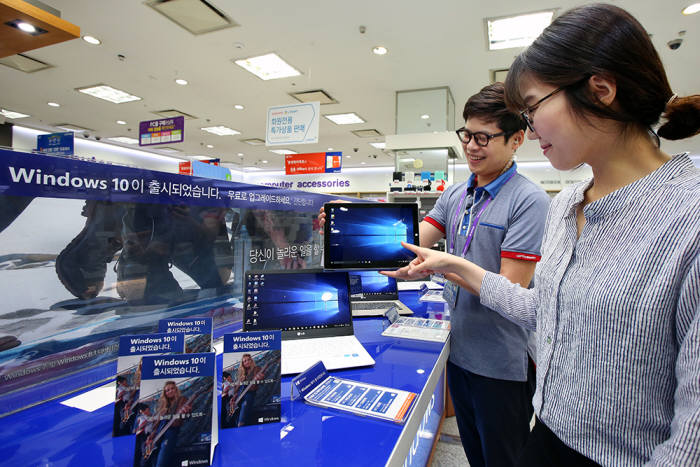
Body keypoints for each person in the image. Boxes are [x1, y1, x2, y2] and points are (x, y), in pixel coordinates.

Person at [384, 4, 700, 465]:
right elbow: (545, 309)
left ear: (601, 90)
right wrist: (454, 266)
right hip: (547, 432)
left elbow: (692, 435)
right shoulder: (569, 203)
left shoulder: (686, 215)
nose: (529, 132)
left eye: (532, 109)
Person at [322, 83, 550, 466]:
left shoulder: (529, 201)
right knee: (476, 454)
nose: (472, 147)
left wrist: (446, 267)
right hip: (459, 352)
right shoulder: (456, 195)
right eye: (467, 135)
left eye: (483, 137)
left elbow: (512, 290)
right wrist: (351, 218)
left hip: (502, 363)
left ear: (516, 140)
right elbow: (408, 245)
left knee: (503, 458)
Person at [145, 381, 191, 467]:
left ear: (176, 389)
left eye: (172, 388)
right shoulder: (163, 405)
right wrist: (151, 435)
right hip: (158, 434)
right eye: (167, 390)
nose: (170, 391)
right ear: (165, 393)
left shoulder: (182, 399)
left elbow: (187, 417)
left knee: (161, 463)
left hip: (171, 432)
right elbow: (157, 424)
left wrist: (186, 412)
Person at [226, 353, 265, 427]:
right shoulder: (241, 373)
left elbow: (262, 378)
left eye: (248, 360)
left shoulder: (257, 369)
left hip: (250, 394)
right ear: (243, 363)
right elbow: (236, 390)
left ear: (251, 360)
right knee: (235, 416)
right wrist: (234, 396)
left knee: (245, 404)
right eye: (245, 361)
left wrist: (260, 377)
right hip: (239, 396)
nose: (247, 362)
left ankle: (241, 425)